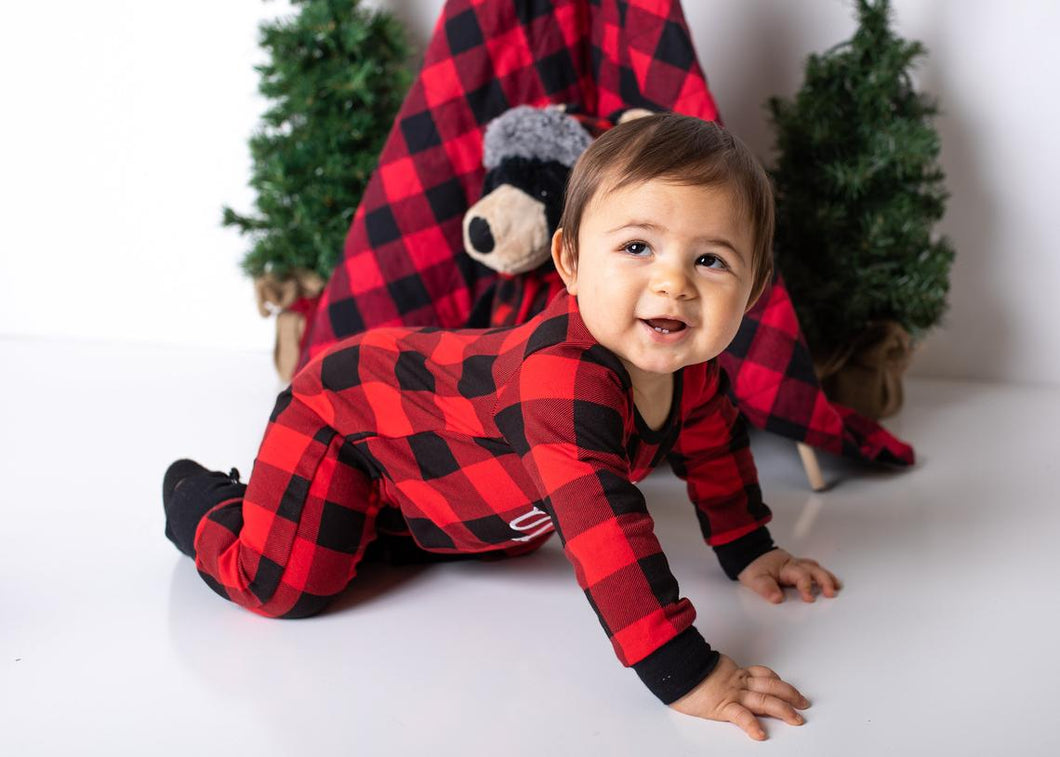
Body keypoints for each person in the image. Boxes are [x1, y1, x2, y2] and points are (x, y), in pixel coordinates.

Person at [163, 113, 841, 741]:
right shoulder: (563, 381)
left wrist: (749, 548)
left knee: (423, 550)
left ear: (751, 291)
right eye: (637, 246)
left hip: (430, 478)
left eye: (710, 260)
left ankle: (365, 520)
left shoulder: (691, 367)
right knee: (288, 585)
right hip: (344, 417)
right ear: (571, 263)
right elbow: (605, 535)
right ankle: (205, 502)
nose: (673, 283)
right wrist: (687, 671)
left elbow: (715, 448)